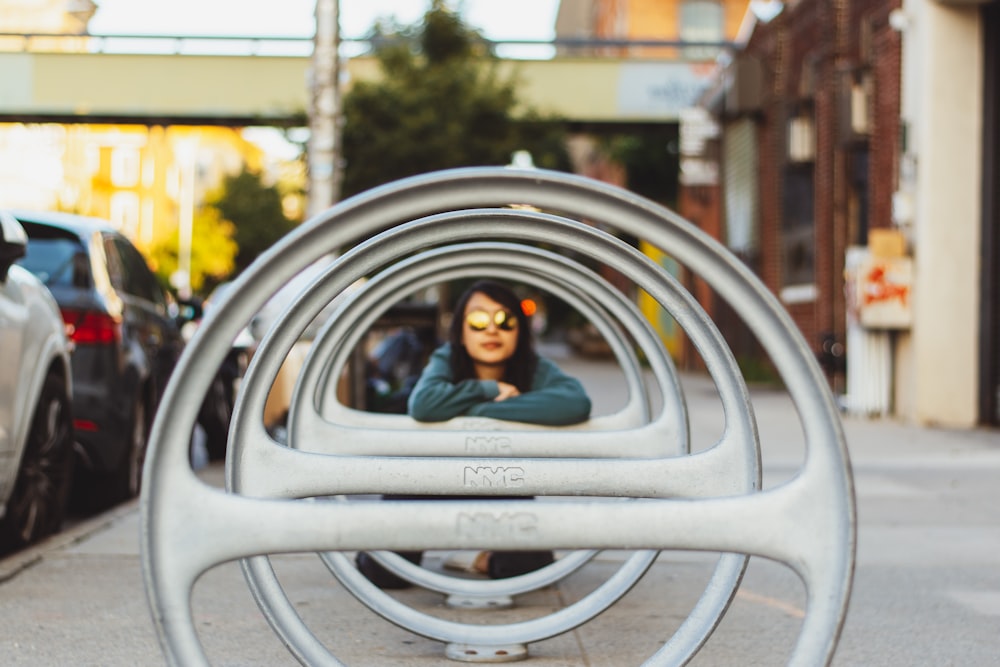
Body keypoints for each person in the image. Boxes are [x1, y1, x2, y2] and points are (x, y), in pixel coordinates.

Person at [355, 280, 592, 588]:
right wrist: (487, 390)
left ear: (520, 330)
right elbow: (424, 404)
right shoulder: (448, 358)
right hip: (429, 478)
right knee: (383, 573)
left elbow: (575, 402)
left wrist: (474, 410)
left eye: (505, 321)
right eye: (478, 321)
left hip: (501, 480)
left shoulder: (532, 367)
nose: (492, 330)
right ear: (461, 332)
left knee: (528, 570)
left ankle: (476, 558)